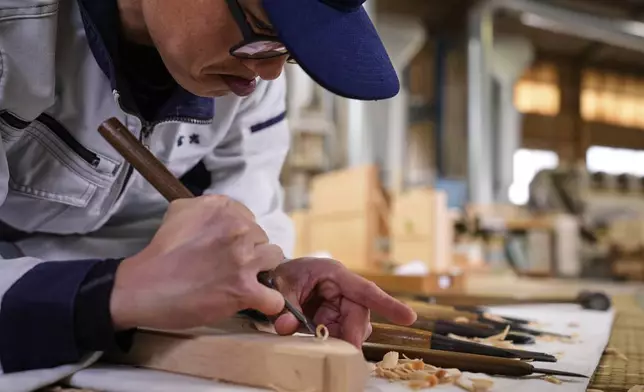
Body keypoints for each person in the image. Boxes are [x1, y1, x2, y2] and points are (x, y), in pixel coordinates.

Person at [0, 0, 417, 389]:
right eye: (264, 27)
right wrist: (118, 292)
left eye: (289, 49)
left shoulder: (247, 68)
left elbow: (250, 207)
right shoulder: (13, 31)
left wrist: (266, 280)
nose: (270, 73)